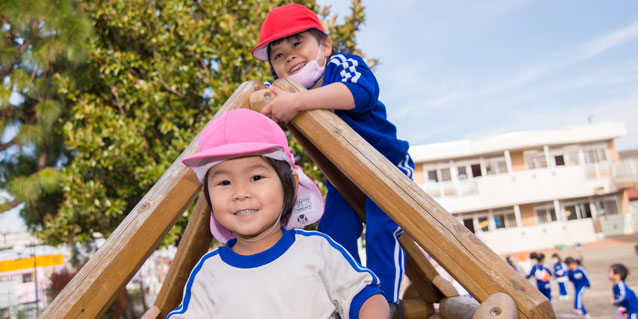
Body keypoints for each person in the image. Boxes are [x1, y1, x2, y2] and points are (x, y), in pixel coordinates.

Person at [252, 4, 415, 313]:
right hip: (342, 180)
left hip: (386, 166)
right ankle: (347, 302)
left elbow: (361, 93)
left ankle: (386, 304)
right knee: (332, 235)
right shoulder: (288, 96)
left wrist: (299, 101)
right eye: (278, 56)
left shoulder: (340, 65)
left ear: (324, 45)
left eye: (297, 43)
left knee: (384, 227)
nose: (289, 56)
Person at [168, 109, 389, 319]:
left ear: (289, 185)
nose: (240, 193)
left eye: (256, 177)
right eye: (224, 182)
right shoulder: (209, 273)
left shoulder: (317, 251)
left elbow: (367, 298)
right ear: (208, 197)